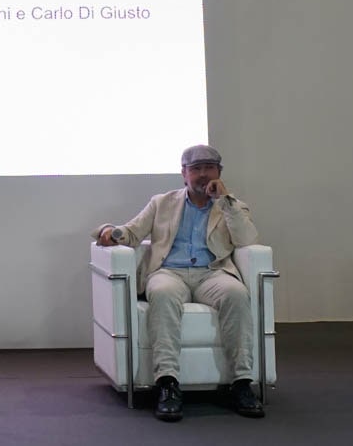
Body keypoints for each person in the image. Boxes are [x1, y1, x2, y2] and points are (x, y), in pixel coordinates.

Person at [94, 144, 264, 422]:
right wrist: (109, 231)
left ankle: (242, 383)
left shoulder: (232, 205)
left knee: (236, 293)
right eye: (196, 169)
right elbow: (132, 232)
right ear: (184, 173)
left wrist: (225, 200)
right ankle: (167, 383)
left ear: (219, 173)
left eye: (209, 168)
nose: (202, 175)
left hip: (212, 272)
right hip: (169, 272)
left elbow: (247, 239)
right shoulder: (162, 202)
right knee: (161, 294)